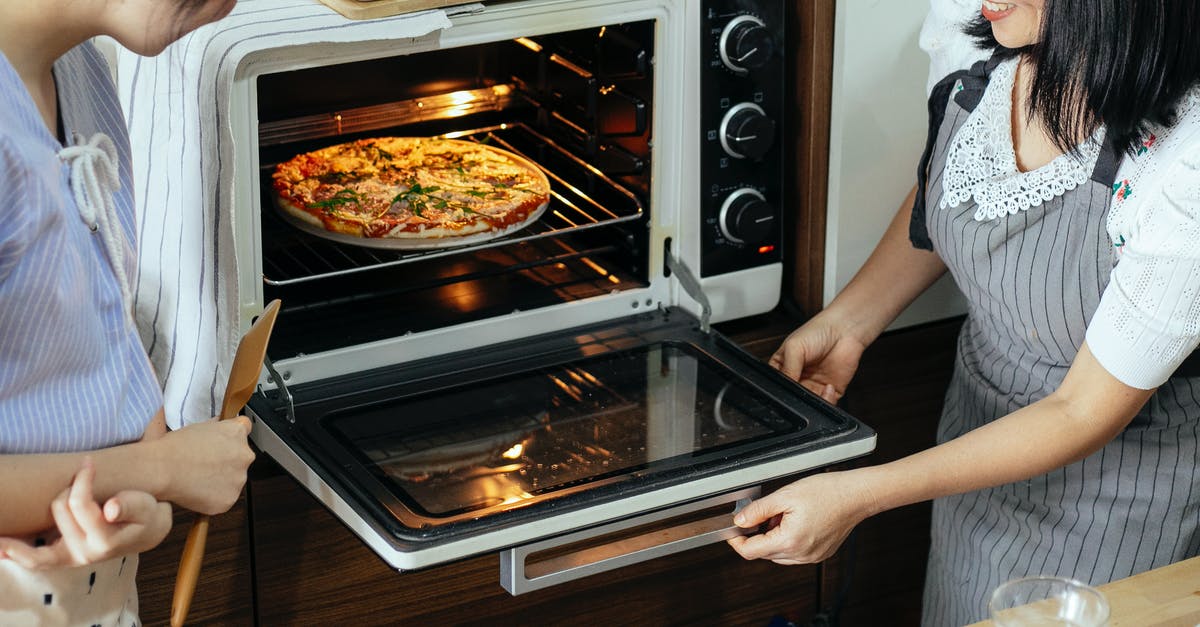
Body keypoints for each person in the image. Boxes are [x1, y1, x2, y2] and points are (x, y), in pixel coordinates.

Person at [728, 0, 1200, 624]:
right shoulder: (987, 31)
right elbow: (955, 190)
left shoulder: (1183, 162)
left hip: (1123, 497)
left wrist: (861, 494)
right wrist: (853, 320)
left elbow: (1082, 409)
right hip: (969, 453)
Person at [0, 1, 253, 624]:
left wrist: (138, 505)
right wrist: (161, 470)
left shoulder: (77, 67)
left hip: (95, 595)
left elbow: (86, 349)